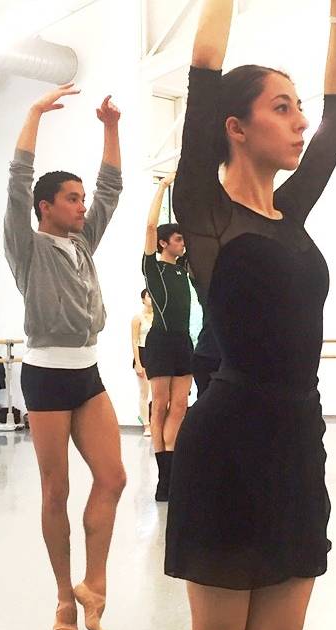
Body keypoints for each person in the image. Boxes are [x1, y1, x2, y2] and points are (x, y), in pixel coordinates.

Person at [166, 1, 336, 630]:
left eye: (298, 107)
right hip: (226, 446)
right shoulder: (205, 209)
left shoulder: (292, 211)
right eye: (282, 108)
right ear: (236, 127)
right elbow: (203, 67)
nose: (300, 121)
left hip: (295, 443)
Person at [2, 84, 125, 630]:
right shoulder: (26, 246)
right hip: (47, 375)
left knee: (114, 477)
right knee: (57, 491)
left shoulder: (82, 242)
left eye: (81, 198)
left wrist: (111, 126)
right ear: (46, 208)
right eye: (71, 199)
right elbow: (16, 183)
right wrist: (32, 115)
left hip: (89, 372)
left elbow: (112, 188)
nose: (82, 205)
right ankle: (61, 599)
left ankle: (92, 583)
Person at [142, 173, 195, 501]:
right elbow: (150, 227)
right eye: (177, 239)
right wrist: (163, 187)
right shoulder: (154, 267)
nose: (182, 243)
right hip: (160, 341)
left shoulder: (183, 267)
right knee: (159, 404)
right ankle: (164, 476)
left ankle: (172, 470)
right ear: (164, 243)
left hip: (182, 342)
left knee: (180, 405)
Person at [132, 289, 154, 436]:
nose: (151, 298)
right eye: (148, 295)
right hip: (143, 353)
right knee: (144, 392)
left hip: (157, 354)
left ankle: (157, 422)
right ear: (143, 299)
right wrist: (138, 363)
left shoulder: (159, 317)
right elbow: (134, 341)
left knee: (158, 392)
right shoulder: (138, 318)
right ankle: (146, 425)